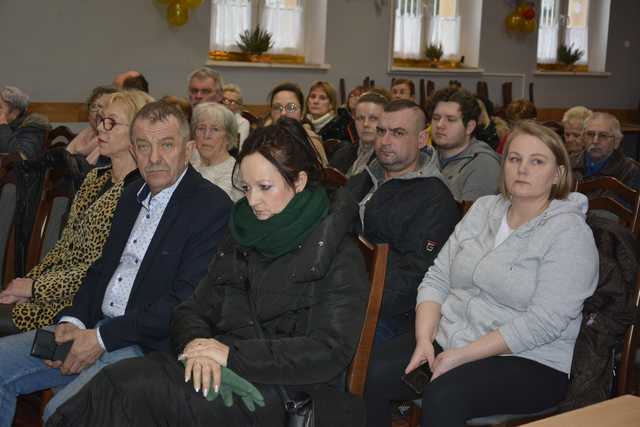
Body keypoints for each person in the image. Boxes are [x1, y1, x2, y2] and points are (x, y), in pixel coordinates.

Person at [47, 117, 369, 427]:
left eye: (265, 187)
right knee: (119, 384)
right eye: (246, 187)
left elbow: (329, 350)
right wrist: (196, 346)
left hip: (287, 390)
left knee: (130, 391)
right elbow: (191, 307)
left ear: (298, 182)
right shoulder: (242, 231)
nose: (253, 200)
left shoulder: (337, 250)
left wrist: (229, 354)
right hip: (219, 367)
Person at [0, 101, 232, 425]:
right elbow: (100, 270)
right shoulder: (130, 195)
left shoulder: (211, 206)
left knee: (64, 413)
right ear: (133, 152)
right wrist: (74, 321)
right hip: (94, 329)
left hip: (145, 345)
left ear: (188, 149)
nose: (154, 158)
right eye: (143, 146)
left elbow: (183, 303)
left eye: (166, 145)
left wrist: (100, 338)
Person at [364, 120, 599, 427]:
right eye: (514, 159)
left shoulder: (569, 234)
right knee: (373, 369)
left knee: (444, 395)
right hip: (454, 336)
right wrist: (424, 338)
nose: (522, 169)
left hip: (530, 360)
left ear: (557, 174)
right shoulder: (484, 209)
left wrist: (463, 355)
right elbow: (437, 277)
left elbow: (545, 322)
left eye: (537, 161)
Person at [0, 90, 154, 335]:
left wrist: (37, 288)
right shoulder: (95, 177)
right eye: (102, 119)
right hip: (54, 289)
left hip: (84, 304)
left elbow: (103, 268)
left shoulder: (140, 193)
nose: (101, 128)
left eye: (112, 123)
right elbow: (64, 246)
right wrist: (26, 284)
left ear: (137, 133)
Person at [348, 99, 459, 342]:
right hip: (346, 291)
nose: (385, 141)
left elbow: (415, 278)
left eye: (398, 133)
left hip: (390, 316)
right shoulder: (367, 177)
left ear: (421, 140)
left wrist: (349, 297)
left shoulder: (435, 200)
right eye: (381, 131)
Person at [428, 87, 501, 201]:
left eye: (450, 119)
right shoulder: (427, 156)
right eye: (436, 118)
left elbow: (472, 217)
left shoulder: (484, 164)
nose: (439, 125)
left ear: (469, 127)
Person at [572, 112, 640, 199]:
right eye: (590, 134)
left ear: (617, 142)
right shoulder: (568, 163)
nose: (595, 141)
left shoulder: (630, 171)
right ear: (582, 138)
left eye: (603, 136)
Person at [190, 102, 243, 201]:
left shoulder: (234, 174)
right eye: (201, 128)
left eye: (215, 129)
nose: (206, 135)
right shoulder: (190, 162)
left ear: (228, 137)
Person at [267, 82, 328, 166]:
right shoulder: (261, 141)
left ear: (302, 113)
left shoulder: (312, 144)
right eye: (277, 107)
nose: (283, 113)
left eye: (291, 107)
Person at [305, 81, 357, 173]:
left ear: (331, 105)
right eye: (312, 97)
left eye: (322, 98)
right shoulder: (301, 124)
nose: (316, 101)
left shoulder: (343, 127)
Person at [66, 85, 118, 167]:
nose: (98, 113)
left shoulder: (114, 145)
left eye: (102, 107)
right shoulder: (85, 135)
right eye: (94, 107)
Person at [0, 86, 50, 160]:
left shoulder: (33, 127)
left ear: (14, 112)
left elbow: (15, 157)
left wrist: (3, 125)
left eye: (0, 107)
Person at [347, 91, 388, 177]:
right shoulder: (343, 153)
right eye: (360, 118)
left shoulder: (389, 159)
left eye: (373, 118)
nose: (365, 124)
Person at [222, 83, 250, 148]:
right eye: (224, 100)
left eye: (232, 101)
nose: (227, 103)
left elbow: (239, 148)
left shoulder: (242, 122)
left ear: (238, 106)